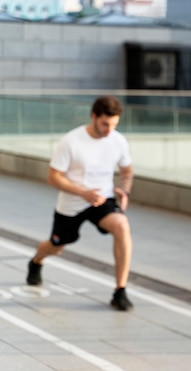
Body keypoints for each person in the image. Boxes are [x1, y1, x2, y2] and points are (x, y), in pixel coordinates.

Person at [26, 95, 135, 311]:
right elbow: (53, 177)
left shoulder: (118, 140)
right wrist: (82, 192)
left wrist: (124, 189)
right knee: (56, 247)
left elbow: (127, 171)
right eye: (105, 123)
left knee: (122, 226)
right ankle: (37, 261)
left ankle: (120, 291)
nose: (109, 130)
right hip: (72, 203)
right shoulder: (71, 141)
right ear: (93, 116)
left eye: (114, 124)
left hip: (102, 200)